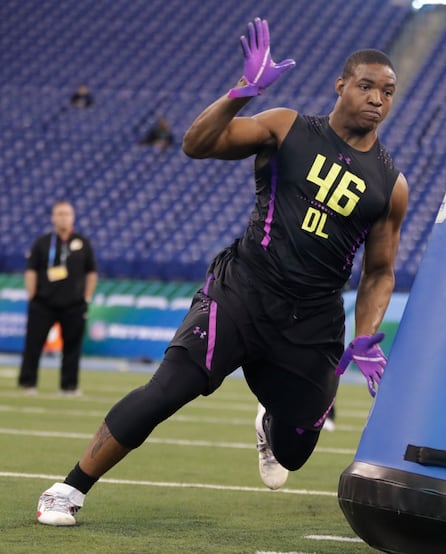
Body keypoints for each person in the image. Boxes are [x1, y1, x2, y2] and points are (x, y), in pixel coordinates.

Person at [35, 18, 408, 526]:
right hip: (244, 290)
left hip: (313, 319)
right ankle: (69, 487)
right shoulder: (285, 126)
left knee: (296, 453)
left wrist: (365, 335)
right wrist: (242, 91)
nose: (376, 99)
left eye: (387, 91)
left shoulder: (391, 183)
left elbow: (380, 272)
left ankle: (270, 419)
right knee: (168, 388)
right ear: (341, 85)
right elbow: (197, 144)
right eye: (366, 85)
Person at [18, 201, 97, 396]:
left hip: (73, 304)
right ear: (53, 217)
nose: (63, 217)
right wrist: (32, 295)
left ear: (73, 217)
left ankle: (68, 386)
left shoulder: (82, 243)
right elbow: (31, 270)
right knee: (33, 343)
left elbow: (92, 272)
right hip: (43, 302)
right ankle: (28, 383)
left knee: (72, 347)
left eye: (67, 213)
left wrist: (87, 297)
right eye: (59, 214)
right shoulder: (42, 242)